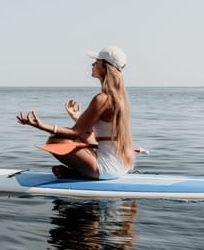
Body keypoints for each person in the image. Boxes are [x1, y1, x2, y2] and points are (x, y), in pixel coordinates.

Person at [16, 46, 135, 179]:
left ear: (104, 66)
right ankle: (79, 172)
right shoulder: (119, 97)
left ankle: (79, 174)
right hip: (122, 165)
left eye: (96, 61)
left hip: (108, 168)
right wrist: (77, 117)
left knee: (56, 141)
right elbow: (89, 132)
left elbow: (75, 132)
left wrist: (39, 125)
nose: (93, 64)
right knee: (80, 137)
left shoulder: (102, 98)